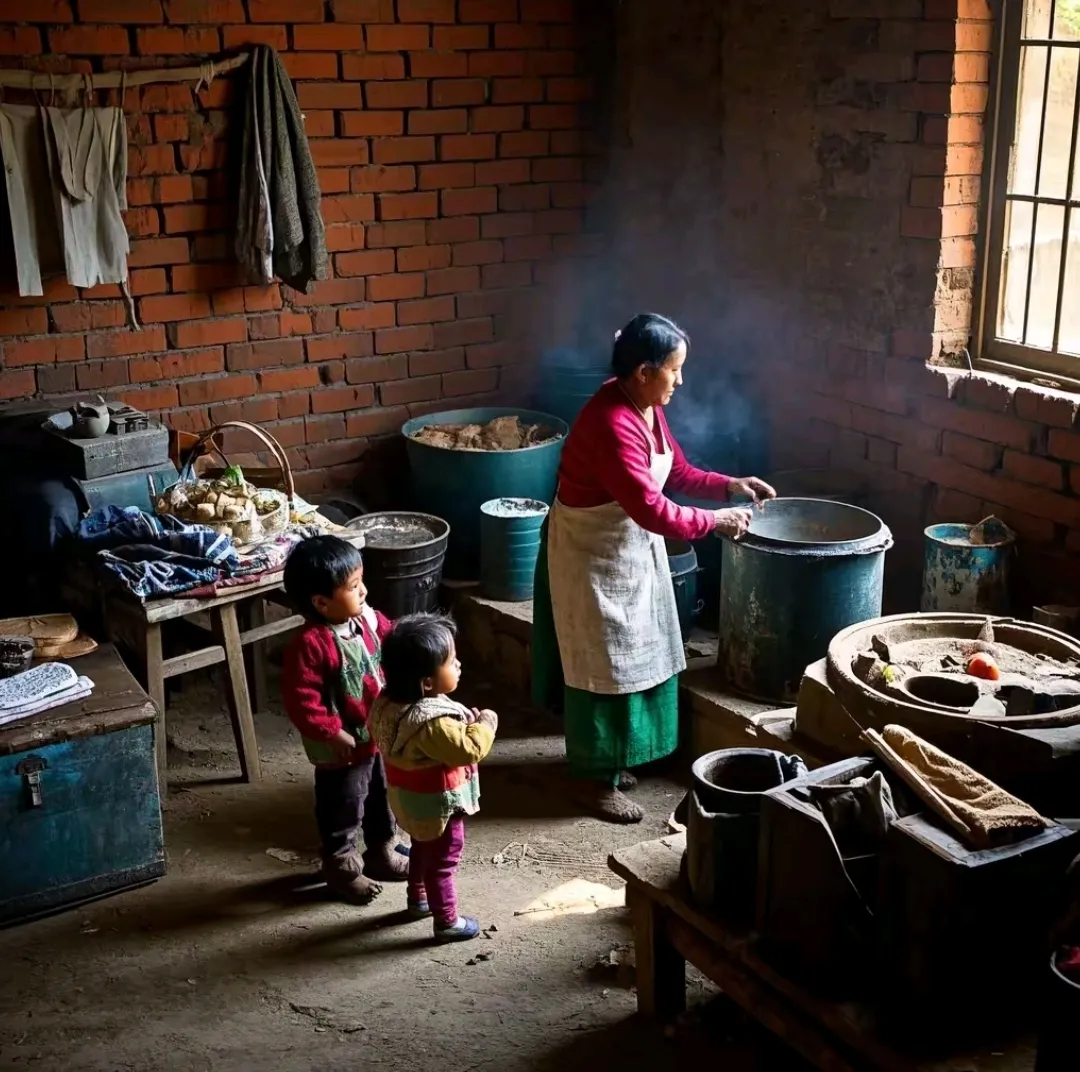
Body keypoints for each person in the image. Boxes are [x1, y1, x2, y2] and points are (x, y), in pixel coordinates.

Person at [532, 312, 777, 823]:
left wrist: (731, 484)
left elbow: (678, 471)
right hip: (591, 554)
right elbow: (653, 509)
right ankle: (592, 780)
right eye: (674, 369)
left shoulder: (644, 406)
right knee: (601, 667)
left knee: (634, 655)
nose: (680, 380)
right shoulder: (611, 422)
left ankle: (614, 762)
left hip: (628, 549)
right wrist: (717, 522)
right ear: (643, 371)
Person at [282, 535, 409, 903]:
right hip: (341, 748)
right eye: (354, 587)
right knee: (344, 807)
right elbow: (301, 699)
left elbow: (392, 636)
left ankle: (382, 852)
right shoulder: (311, 643)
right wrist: (331, 732)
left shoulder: (366, 620)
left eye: (361, 581)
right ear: (321, 603)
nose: (365, 591)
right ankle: (341, 870)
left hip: (374, 736)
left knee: (381, 796)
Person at [370, 614, 497, 943]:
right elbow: (469, 749)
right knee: (443, 860)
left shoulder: (388, 703)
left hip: (408, 801)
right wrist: (485, 723)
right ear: (426, 683)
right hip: (439, 805)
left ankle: (418, 900)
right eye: (451, 661)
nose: (458, 665)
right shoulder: (433, 724)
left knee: (420, 850)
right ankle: (447, 921)